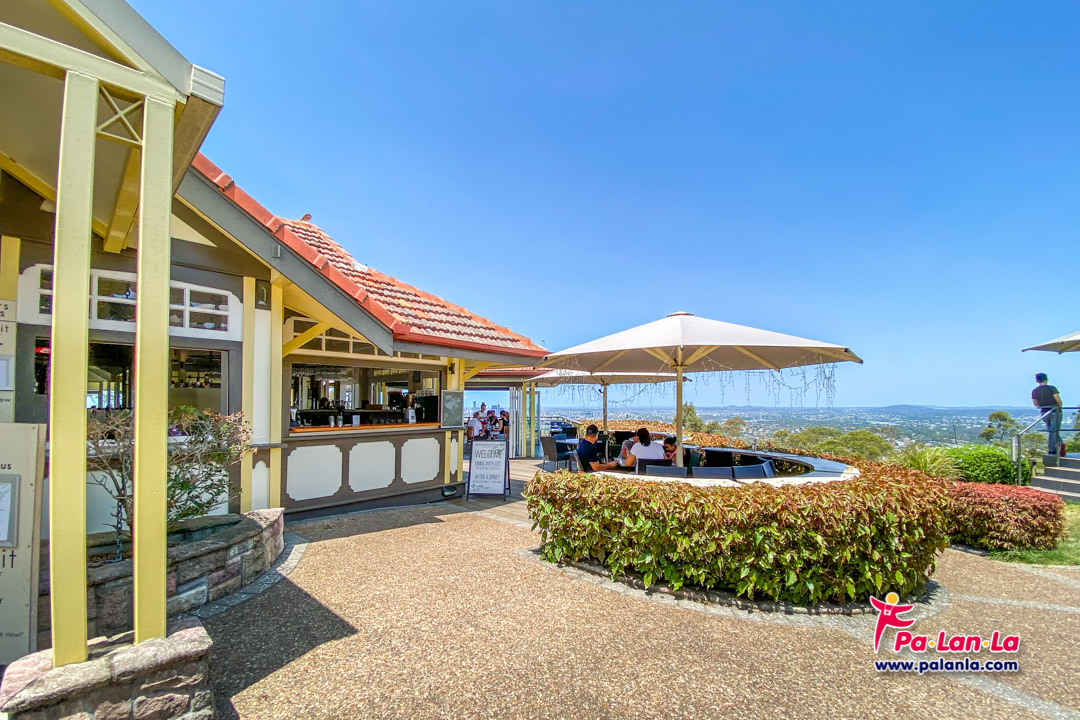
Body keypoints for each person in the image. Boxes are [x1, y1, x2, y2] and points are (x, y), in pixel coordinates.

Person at [1032, 373, 1064, 454]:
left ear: (1037, 380)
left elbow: (1035, 404)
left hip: (1044, 412)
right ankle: (1052, 450)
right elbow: (1058, 401)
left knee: (1052, 431)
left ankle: (1060, 444)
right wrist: (1059, 407)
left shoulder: (1035, 391)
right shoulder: (1052, 388)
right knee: (1053, 431)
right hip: (1055, 411)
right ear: (1046, 379)